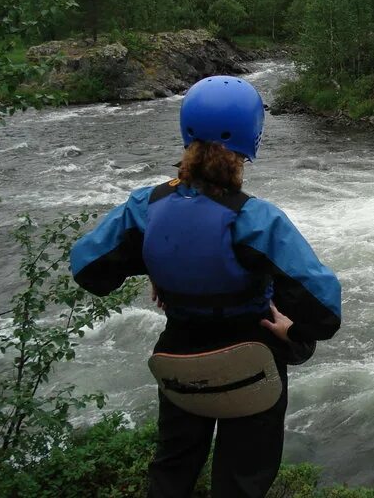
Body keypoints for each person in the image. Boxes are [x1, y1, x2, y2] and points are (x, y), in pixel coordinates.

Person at [70, 75, 342, 498]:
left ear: (186, 133)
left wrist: (157, 265)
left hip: (180, 357)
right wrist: (294, 332)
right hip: (249, 361)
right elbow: (325, 311)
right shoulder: (257, 219)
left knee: (171, 472)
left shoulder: (145, 206)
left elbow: (89, 269)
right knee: (240, 482)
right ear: (252, 140)